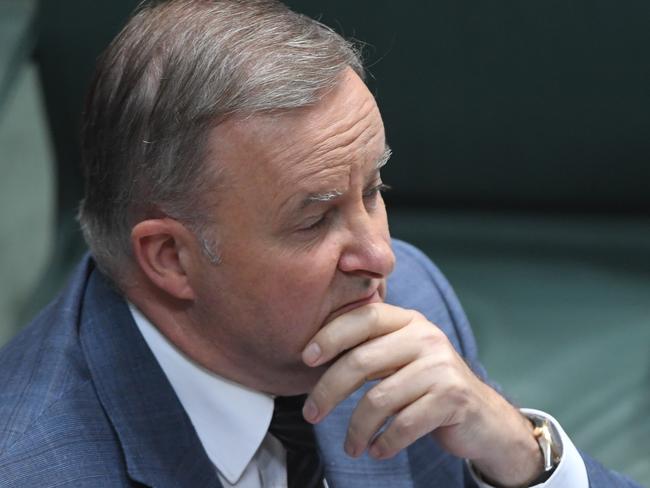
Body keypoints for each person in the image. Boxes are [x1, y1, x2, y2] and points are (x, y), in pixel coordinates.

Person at [0, 1, 641, 487]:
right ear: (171, 259)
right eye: (315, 221)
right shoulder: (36, 464)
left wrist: (521, 456)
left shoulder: (408, 310)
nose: (381, 257)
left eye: (373, 189)